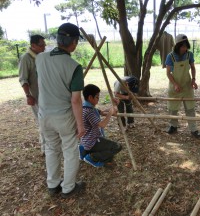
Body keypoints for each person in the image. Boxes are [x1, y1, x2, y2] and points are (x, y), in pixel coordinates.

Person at [36, 23, 85, 198]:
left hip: (44, 115)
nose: (76, 44)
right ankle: (68, 187)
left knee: (51, 148)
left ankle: (53, 184)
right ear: (73, 42)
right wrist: (81, 126)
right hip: (63, 117)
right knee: (70, 150)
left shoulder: (40, 58)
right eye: (76, 41)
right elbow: (76, 100)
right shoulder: (74, 66)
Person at [165, 34, 200, 138]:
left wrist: (193, 80)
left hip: (187, 85)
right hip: (174, 86)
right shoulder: (170, 56)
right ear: (177, 46)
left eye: (186, 46)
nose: (184, 48)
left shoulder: (189, 55)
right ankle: (173, 126)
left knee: (190, 108)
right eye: (182, 46)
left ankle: (194, 129)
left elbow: (193, 68)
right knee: (173, 108)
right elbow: (168, 73)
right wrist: (175, 84)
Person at [79, 84, 122, 167]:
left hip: (88, 141)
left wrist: (114, 106)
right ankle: (91, 157)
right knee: (117, 147)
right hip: (92, 142)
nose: (98, 99)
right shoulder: (89, 112)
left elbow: (102, 112)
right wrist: (110, 113)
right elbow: (102, 125)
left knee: (110, 155)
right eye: (97, 97)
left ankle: (86, 151)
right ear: (90, 97)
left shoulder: (87, 107)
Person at [18, 34, 46, 154]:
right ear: (33, 45)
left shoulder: (42, 56)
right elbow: (23, 79)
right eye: (41, 45)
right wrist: (28, 96)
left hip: (47, 95)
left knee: (48, 120)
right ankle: (45, 148)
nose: (44, 47)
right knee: (42, 121)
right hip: (36, 96)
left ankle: (50, 145)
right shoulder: (26, 58)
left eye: (44, 44)